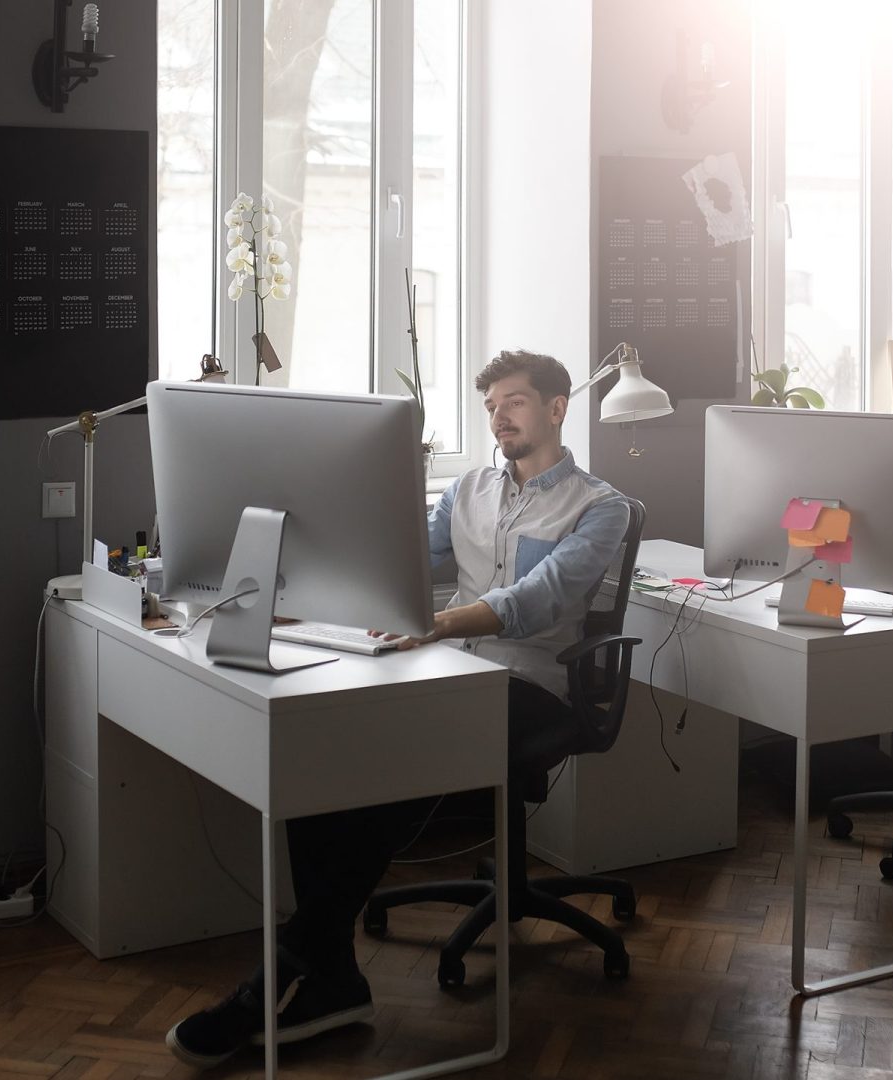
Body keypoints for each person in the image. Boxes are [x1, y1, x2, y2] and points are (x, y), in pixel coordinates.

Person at [167, 350, 632, 1066]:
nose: (499, 416)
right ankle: (332, 974)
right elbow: (409, 562)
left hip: (533, 686)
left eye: (513, 401)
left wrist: (440, 623)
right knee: (323, 757)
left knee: (394, 772)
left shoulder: (600, 507)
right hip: (442, 671)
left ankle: (289, 970)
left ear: (556, 408)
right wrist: (306, 592)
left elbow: (543, 599)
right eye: (490, 407)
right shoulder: (470, 489)